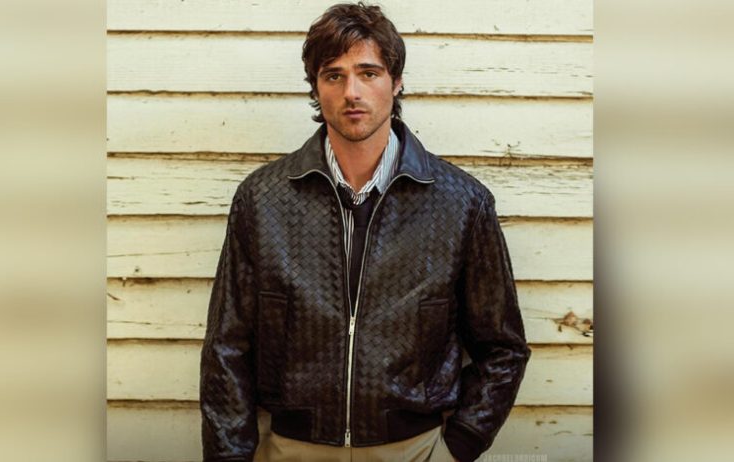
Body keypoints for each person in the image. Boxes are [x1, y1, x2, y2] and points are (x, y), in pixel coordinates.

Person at [200, 3, 530, 461]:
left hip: (414, 448)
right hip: (292, 448)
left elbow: (503, 347)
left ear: (396, 82)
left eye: (368, 73)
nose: (351, 92)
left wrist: (460, 444)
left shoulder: (461, 203)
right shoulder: (263, 199)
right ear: (316, 86)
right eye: (333, 75)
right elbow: (227, 347)